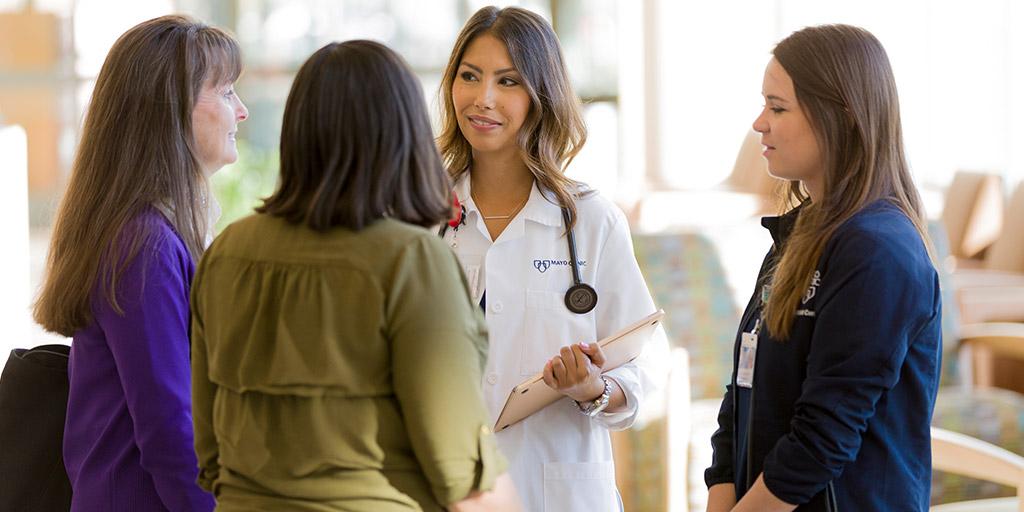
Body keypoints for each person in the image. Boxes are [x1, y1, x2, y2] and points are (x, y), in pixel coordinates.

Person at [189, 40, 520, 512]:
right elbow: (466, 480)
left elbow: (211, 452)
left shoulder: (227, 252)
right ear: (403, 133)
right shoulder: (411, 260)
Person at [437, 7, 670, 511]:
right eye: (470, 77)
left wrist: (594, 388)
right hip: (450, 488)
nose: (484, 99)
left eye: (509, 81)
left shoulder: (589, 220)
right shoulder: (422, 214)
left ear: (541, 96)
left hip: (557, 491)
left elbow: (649, 363)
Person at [704, 24, 942, 512]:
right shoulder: (796, 235)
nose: (759, 124)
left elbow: (823, 437)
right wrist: (721, 491)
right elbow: (743, 387)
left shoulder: (879, 251)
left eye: (777, 107)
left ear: (841, 115)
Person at [32, 14, 247, 511]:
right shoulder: (145, 244)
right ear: (172, 109)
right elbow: (171, 430)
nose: (241, 112)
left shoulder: (160, 231)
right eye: (226, 92)